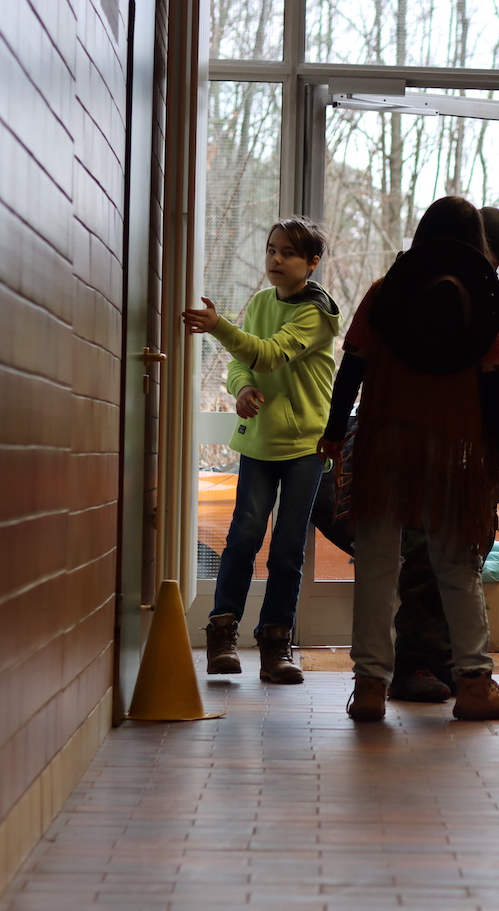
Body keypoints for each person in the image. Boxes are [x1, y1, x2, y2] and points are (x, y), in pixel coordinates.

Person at [309, 208, 499, 704]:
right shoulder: (483, 303)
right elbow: (495, 390)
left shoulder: (383, 291)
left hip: (383, 447)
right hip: (454, 456)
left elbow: (352, 366)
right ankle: (474, 684)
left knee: (377, 566)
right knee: (458, 567)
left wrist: (335, 433)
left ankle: (369, 686)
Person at [183, 218, 340, 684]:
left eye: (289, 252)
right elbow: (243, 365)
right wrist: (243, 389)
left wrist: (219, 327)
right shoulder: (259, 303)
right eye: (272, 249)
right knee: (243, 536)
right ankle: (222, 634)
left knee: (288, 548)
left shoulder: (316, 313)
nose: (276, 259)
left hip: (306, 445)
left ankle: (275, 643)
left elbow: (268, 355)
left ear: (312, 263)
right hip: (259, 442)